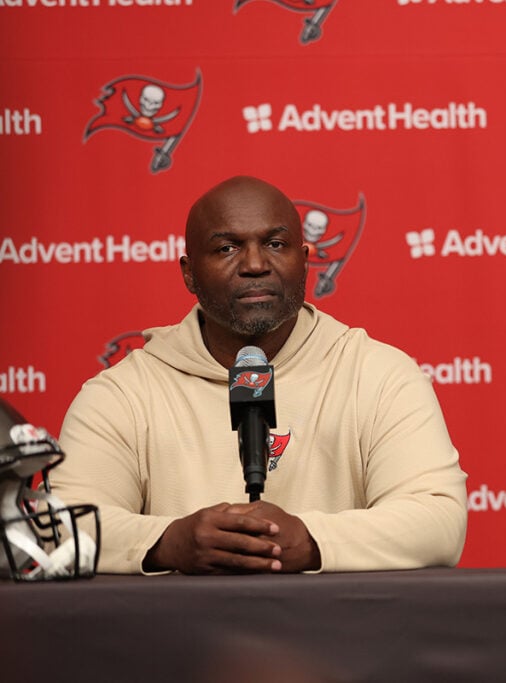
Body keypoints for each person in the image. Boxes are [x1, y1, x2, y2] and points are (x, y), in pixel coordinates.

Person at [51, 176, 468, 574]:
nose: (254, 264)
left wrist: (310, 540)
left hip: (339, 639)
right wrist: (167, 541)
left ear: (304, 261)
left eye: (274, 243)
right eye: (227, 248)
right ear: (188, 272)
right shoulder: (123, 393)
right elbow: (58, 528)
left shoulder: (378, 375)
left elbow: (438, 522)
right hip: (177, 643)